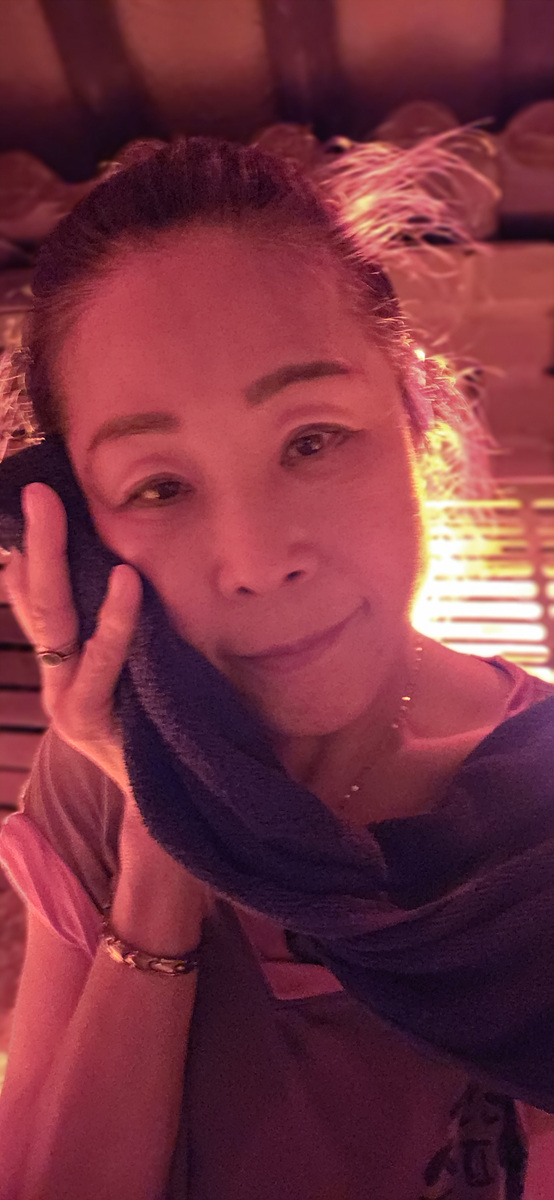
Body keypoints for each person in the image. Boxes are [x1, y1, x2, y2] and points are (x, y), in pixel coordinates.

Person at [0, 135, 552, 1200]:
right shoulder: (98, 774)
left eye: (310, 440)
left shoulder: (538, 803)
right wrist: (165, 830)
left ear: (412, 416)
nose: (255, 562)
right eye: (159, 486)